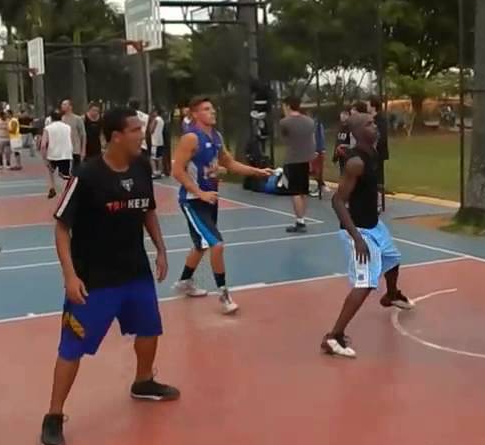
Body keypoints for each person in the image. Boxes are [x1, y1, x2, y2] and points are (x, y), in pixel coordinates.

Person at [41, 106, 175, 445]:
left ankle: (143, 381)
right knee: (72, 348)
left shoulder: (143, 166)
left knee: (149, 330)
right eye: (135, 130)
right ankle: (54, 416)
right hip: (94, 279)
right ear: (116, 136)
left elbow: (148, 210)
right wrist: (70, 276)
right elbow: (61, 227)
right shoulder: (86, 176)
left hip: (135, 271)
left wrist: (160, 248)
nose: (141, 135)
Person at [171, 96, 274, 315]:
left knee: (201, 245)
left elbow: (229, 163)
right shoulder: (190, 138)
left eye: (212, 109)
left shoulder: (216, 136)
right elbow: (177, 171)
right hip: (193, 201)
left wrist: (257, 171)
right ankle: (224, 295)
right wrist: (200, 192)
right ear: (195, 114)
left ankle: (184, 282)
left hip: (210, 199)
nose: (212, 112)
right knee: (216, 245)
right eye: (206, 109)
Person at [322, 112, 411, 358]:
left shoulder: (372, 153)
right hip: (359, 230)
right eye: (369, 124)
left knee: (393, 257)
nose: (376, 126)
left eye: (375, 122)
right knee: (365, 283)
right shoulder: (356, 162)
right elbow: (338, 201)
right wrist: (357, 239)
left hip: (374, 225)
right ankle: (333, 337)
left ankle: (391, 295)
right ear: (358, 132)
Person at [278, 95, 318, 233]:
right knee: (303, 191)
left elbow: (284, 139)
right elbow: (312, 140)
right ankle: (302, 218)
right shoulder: (309, 121)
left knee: (295, 191)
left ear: (288, 106)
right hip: (305, 159)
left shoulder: (284, 122)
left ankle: (300, 221)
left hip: (292, 159)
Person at [41, 110, 74, 198]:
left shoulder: (48, 128)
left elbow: (43, 145)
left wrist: (44, 158)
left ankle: (52, 187)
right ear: (61, 117)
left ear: (51, 118)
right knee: (65, 175)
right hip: (66, 153)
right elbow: (70, 139)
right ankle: (66, 192)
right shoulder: (68, 127)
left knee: (50, 170)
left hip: (52, 154)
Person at [60, 99, 86, 168]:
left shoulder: (78, 119)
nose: (62, 106)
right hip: (64, 148)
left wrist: (83, 150)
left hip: (76, 148)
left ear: (70, 107)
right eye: (62, 104)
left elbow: (83, 134)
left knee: (76, 169)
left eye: (65, 104)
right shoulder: (61, 119)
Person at [149, 108, 166, 178]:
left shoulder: (156, 120)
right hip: (160, 140)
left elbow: (151, 130)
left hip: (155, 141)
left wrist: (151, 123)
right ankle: (160, 171)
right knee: (159, 157)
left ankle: (154, 172)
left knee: (152, 158)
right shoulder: (161, 120)